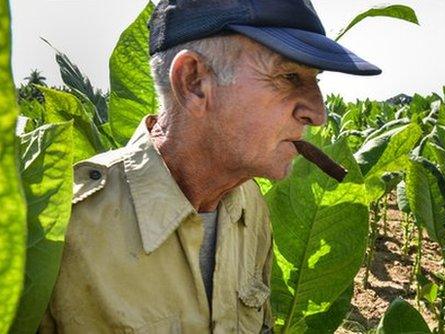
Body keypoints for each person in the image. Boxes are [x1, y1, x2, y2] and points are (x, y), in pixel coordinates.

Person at [40, 0, 381, 333]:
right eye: (289, 76)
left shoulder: (250, 208)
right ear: (194, 82)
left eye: (315, 80)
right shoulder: (61, 227)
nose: (318, 114)